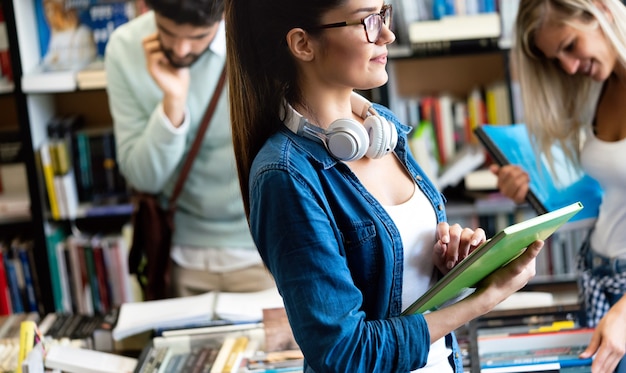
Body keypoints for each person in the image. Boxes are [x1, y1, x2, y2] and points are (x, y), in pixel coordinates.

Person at [225, 0, 544, 371]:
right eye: (368, 21)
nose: (388, 34)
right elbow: (344, 352)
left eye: (385, 13)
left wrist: (449, 268)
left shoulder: (384, 130)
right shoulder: (285, 175)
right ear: (303, 44)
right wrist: (486, 299)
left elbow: (400, 285)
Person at [104, 0, 275, 297]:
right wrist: (173, 104)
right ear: (150, 11)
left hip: (265, 249)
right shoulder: (124, 48)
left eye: (198, 37)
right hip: (179, 254)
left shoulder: (262, 38)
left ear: (223, 16)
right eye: (167, 32)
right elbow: (143, 178)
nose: (181, 50)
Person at [489, 0, 626, 371]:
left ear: (600, 9)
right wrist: (530, 190)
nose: (567, 67)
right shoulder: (600, 88)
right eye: (555, 59)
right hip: (599, 276)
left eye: (568, 46)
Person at [41, 0, 96, 71]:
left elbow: (84, 66)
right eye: (47, 11)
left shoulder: (83, 33)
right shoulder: (56, 36)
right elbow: (47, 62)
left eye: (52, 10)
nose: (49, 15)